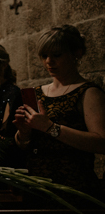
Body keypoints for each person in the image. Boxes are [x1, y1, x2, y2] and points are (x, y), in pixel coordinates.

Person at [15, 25, 105, 196]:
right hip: (36, 185)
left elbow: (101, 143)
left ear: (76, 54)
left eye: (57, 55)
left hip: (73, 186)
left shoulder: (88, 92)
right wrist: (23, 133)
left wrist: (50, 127)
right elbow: (25, 144)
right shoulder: (38, 92)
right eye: (44, 56)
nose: (49, 61)